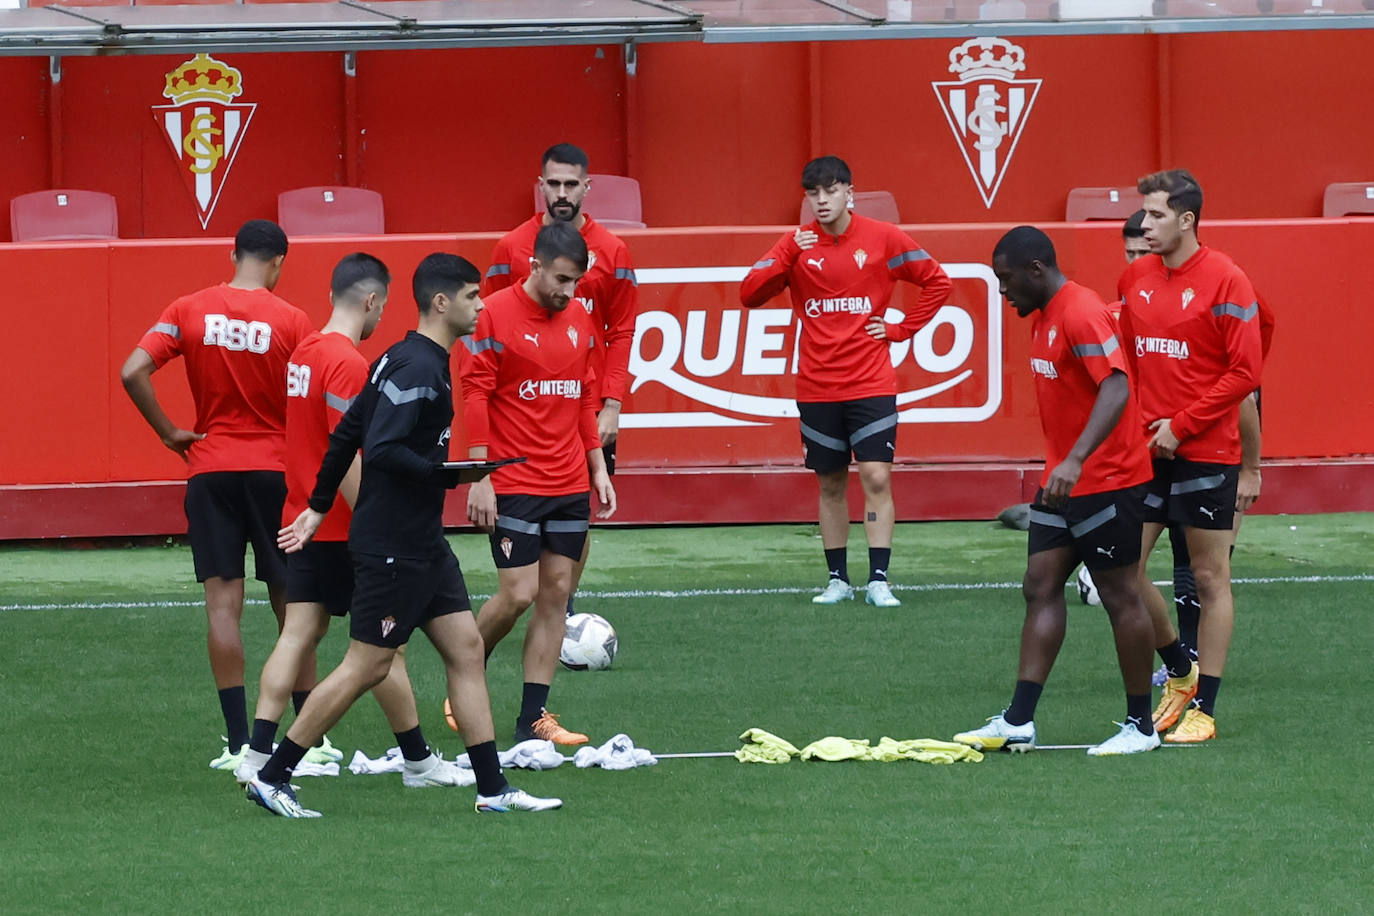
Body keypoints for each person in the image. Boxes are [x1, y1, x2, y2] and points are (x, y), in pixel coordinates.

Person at [250, 253, 560, 817]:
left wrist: (318, 507)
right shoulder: (417, 367)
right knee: (367, 664)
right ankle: (273, 774)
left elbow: (347, 433)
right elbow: (386, 449)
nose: (481, 305)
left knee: (467, 649)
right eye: (472, 296)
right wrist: (450, 475)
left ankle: (493, 791)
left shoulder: (399, 357)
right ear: (442, 303)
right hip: (393, 544)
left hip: (422, 543)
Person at [233, 253, 464, 790]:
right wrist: (377, 521)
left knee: (298, 634)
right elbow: (354, 452)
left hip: (302, 514)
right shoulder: (347, 362)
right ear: (371, 301)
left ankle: (256, 751)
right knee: (384, 652)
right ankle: (418, 761)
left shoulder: (304, 353)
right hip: (344, 526)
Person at [120, 219, 318, 769]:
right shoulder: (294, 321)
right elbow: (311, 401)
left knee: (222, 608)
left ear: (233, 254)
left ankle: (236, 744)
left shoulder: (188, 309)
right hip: (274, 472)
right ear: (279, 262)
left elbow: (133, 370)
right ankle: (310, 740)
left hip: (210, 471)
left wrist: (168, 432)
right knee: (293, 608)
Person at [953, 226, 1159, 756]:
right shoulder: (1043, 315)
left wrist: (1075, 459)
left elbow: (1116, 384)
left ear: (1036, 269)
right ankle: (1019, 720)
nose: (1002, 292)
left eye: (1006, 280)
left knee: (1119, 595)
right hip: (1062, 483)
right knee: (1040, 584)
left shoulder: (1081, 311)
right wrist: (1061, 466)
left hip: (1107, 479)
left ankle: (1142, 726)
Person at [740, 155, 952, 607]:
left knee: (876, 476)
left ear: (849, 192)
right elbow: (749, 294)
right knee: (831, 482)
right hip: (817, 386)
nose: (821, 201)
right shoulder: (794, 244)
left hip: (871, 382)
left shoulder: (883, 238)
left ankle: (879, 579)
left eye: (831, 190)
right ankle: (838, 579)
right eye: (813, 193)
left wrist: (900, 330)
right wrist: (787, 255)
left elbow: (937, 281)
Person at [1118, 169, 1263, 743]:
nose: (1144, 225)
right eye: (1143, 215)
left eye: (1155, 215)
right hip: (1147, 452)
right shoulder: (1134, 277)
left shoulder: (1228, 280)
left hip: (1207, 450)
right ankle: (1179, 670)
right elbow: (1128, 362)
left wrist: (1181, 425)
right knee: (1125, 570)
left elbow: (1245, 373)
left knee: (1209, 577)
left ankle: (1204, 707)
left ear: (1187, 219)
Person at [461, 222, 617, 747]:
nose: (568, 292)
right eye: (561, 280)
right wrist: (480, 475)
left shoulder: (578, 318)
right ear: (535, 265)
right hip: (515, 479)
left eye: (576, 282)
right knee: (517, 593)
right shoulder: (493, 314)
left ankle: (534, 718)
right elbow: (476, 394)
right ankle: (464, 679)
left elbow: (584, 393)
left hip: (569, 479)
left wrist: (597, 464)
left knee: (556, 593)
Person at [483, 142, 639, 616]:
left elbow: (623, 330)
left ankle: (564, 609)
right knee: (524, 509)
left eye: (572, 184)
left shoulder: (613, 251)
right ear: (541, 186)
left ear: (587, 187)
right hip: (526, 405)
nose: (562, 193)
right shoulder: (511, 247)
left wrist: (611, 403)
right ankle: (524, 598)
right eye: (554, 183)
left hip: (585, 404)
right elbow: (486, 327)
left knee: (579, 510)